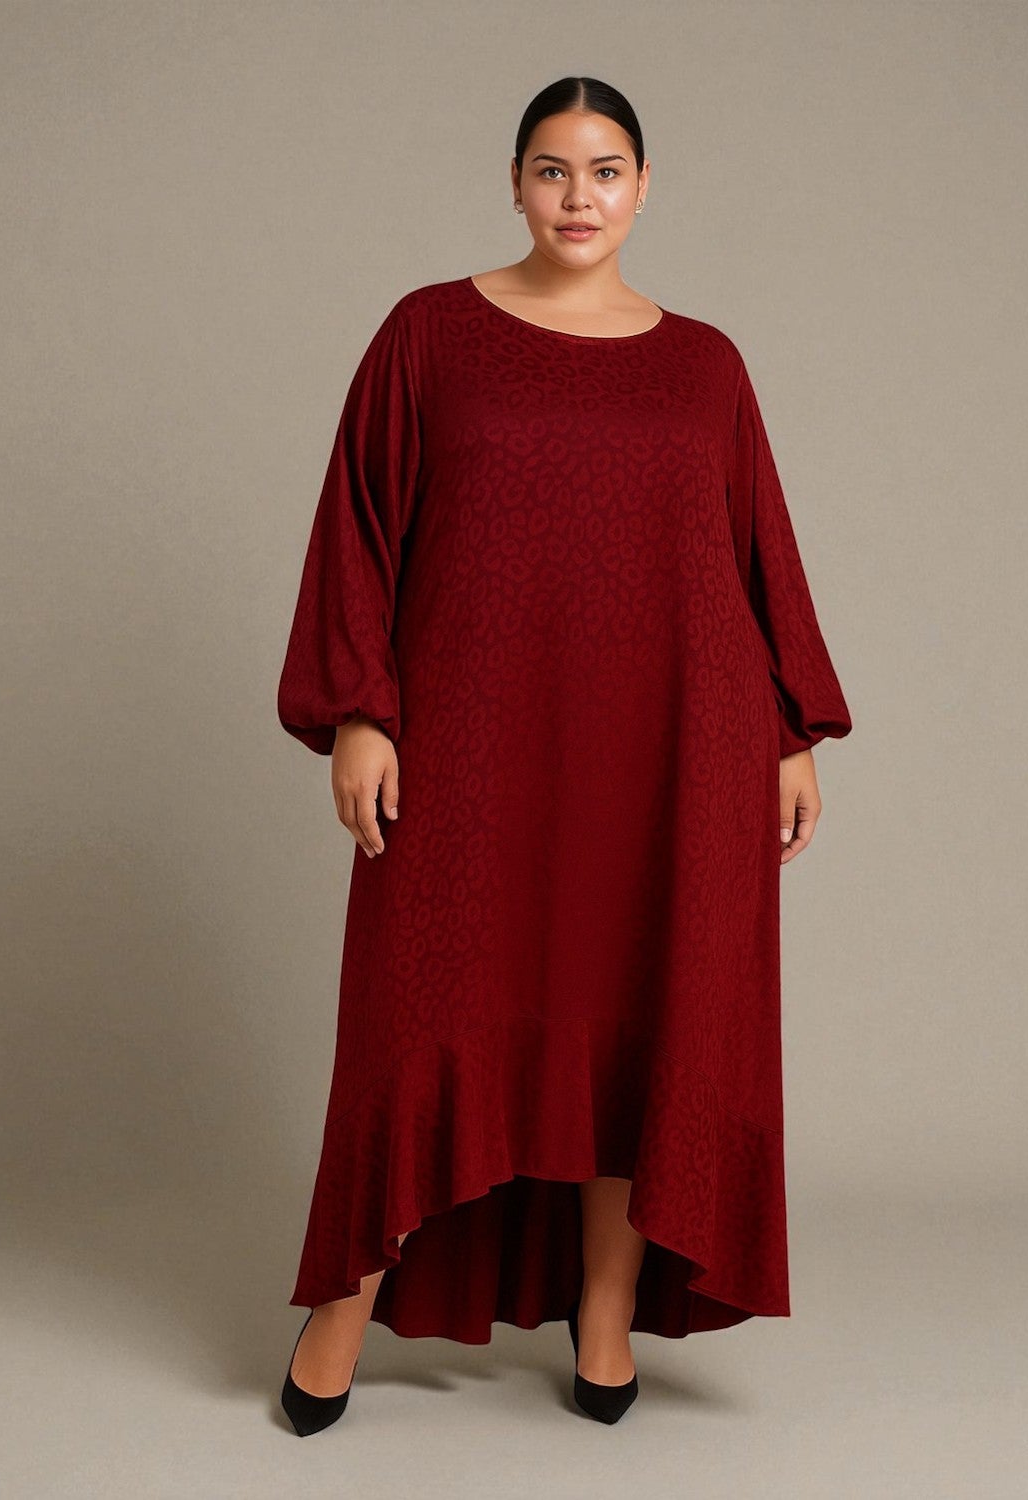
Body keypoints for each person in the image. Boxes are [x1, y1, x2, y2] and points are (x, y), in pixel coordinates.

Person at [275, 75, 853, 1434]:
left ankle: (606, 1318)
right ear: (516, 185)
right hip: (473, 745)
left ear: (644, 189)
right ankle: (342, 1302)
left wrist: (789, 732)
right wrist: (364, 708)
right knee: (414, 1010)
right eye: (552, 170)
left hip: (672, 752)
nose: (578, 197)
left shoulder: (705, 363)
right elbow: (360, 525)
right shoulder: (428, 336)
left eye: (605, 171)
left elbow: (754, 554)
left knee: (638, 1013)